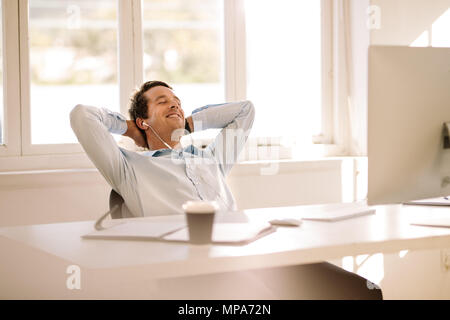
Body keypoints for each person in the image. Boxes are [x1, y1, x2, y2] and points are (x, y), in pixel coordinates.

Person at [70, 80, 382, 299]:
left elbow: (245, 111)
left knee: (361, 291)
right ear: (142, 120)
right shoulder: (129, 168)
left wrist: (187, 122)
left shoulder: (211, 159)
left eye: (178, 102)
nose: (174, 105)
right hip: (197, 270)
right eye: (163, 102)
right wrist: (130, 130)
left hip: (252, 253)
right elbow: (82, 116)